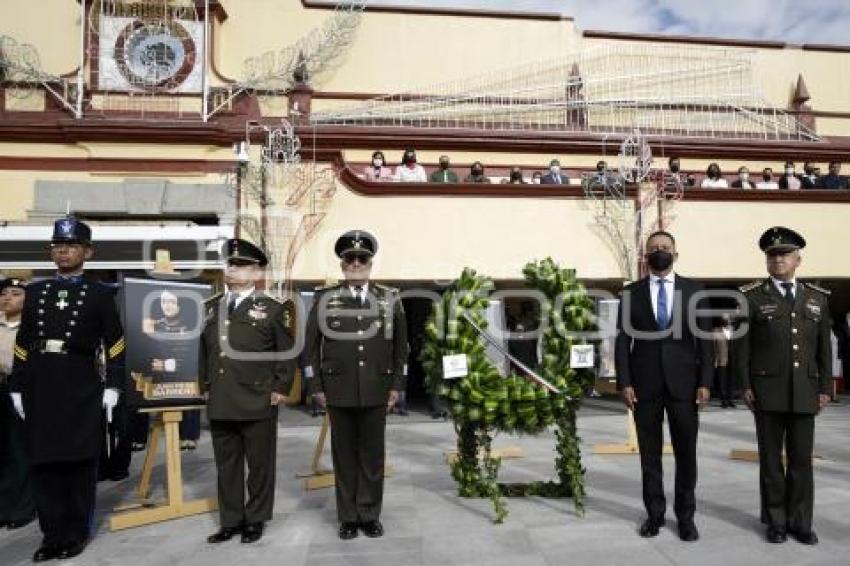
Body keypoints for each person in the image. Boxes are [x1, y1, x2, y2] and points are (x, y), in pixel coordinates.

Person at [9, 216, 124, 561]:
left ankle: (75, 533)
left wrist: (113, 385)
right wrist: (17, 383)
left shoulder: (100, 294)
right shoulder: (35, 292)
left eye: (72, 245)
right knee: (44, 465)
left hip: (80, 384)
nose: (64, 251)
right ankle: (51, 536)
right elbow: (23, 342)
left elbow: (115, 343)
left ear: (87, 251)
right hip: (41, 382)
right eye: (58, 246)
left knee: (77, 463)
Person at [304, 230, 409, 540]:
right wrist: (315, 387)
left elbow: (401, 347)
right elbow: (311, 347)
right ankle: (348, 516)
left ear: (371, 263)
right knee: (345, 456)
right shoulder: (325, 298)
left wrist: (397, 385)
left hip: (377, 388)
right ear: (342, 264)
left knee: (373, 457)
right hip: (338, 390)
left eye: (362, 259)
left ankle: (369, 514)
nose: (356, 263)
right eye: (350, 259)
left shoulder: (390, 298)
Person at [735, 227, 831, 545]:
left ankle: (800, 522)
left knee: (802, 462)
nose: (778, 260)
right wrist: (745, 385)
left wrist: (826, 387)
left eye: (785, 255)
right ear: (766, 262)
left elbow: (823, 348)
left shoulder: (817, 298)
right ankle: (776, 521)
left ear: (797, 260)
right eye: (772, 256)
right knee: (771, 462)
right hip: (767, 392)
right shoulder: (752, 297)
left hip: (805, 391)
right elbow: (742, 347)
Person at [615, 231, 712, 542]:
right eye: (654, 248)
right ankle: (654, 515)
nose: (660, 252)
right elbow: (621, 341)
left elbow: (705, 342)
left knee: (687, 454)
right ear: (646, 255)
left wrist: (706, 382)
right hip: (645, 385)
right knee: (649, 456)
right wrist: (625, 381)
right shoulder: (631, 293)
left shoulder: (695, 291)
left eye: (665, 248)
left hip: (685, 385)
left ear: (676, 254)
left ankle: (686, 518)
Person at [200, 238, 295, 545]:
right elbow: (203, 350)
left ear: (257, 273)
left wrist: (281, 387)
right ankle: (230, 520)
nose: (233, 270)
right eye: (230, 264)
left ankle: (255, 519)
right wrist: (203, 384)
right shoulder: (211, 307)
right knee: (226, 465)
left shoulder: (272, 308)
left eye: (241, 265)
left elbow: (286, 351)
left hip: (258, 396)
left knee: (259, 465)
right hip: (221, 396)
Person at [0, 277, 36, 530]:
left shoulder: (32, 328)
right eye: (4, 293)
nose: (7, 298)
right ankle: (3, 507)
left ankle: (22, 508)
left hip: (21, 389)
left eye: (15, 293)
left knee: (20, 450)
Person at [148, 290, 200, 450]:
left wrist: (169, 363)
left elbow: (191, 351)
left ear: (178, 304)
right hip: (165, 377)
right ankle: (177, 436)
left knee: (190, 404)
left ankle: (190, 436)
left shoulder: (190, 324)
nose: (167, 305)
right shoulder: (156, 326)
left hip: (188, 372)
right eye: (164, 302)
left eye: (171, 301)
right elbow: (151, 355)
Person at [712, 314, 735, 407]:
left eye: (729, 319)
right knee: (722, 381)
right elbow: (713, 347)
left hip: (733, 359)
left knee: (731, 380)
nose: (728, 321)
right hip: (722, 359)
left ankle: (730, 399)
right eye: (726, 319)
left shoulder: (734, 330)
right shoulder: (715, 331)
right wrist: (715, 360)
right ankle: (724, 400)